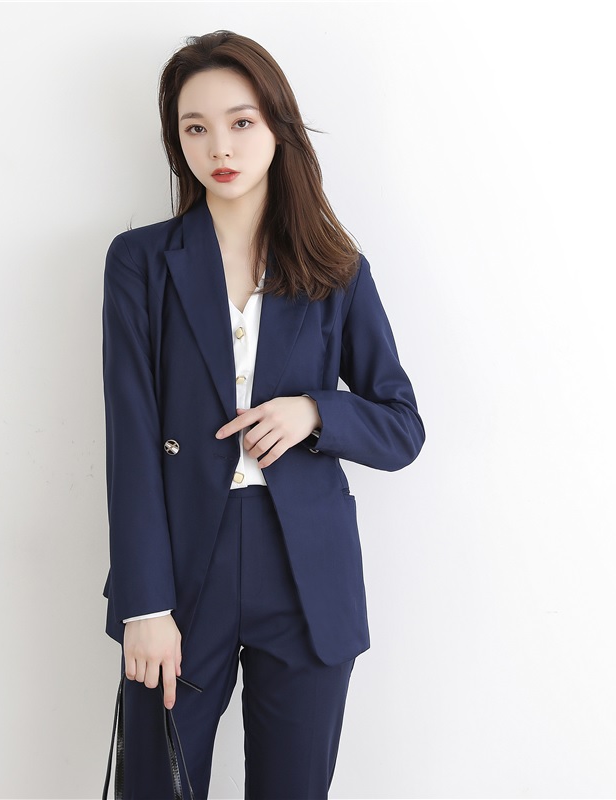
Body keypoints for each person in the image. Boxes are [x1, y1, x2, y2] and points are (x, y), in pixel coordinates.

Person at [101, 30, 425, 799]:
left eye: (241, 122)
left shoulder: (336, 269)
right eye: (195, 127)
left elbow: (401, 425)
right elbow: (130, 438)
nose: (219, 146)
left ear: (278, 127)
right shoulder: (140, 263)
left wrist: (315, 411)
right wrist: (146, 603)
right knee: (157, 786)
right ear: (176, 140)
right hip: (181, 575)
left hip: (306, 578)